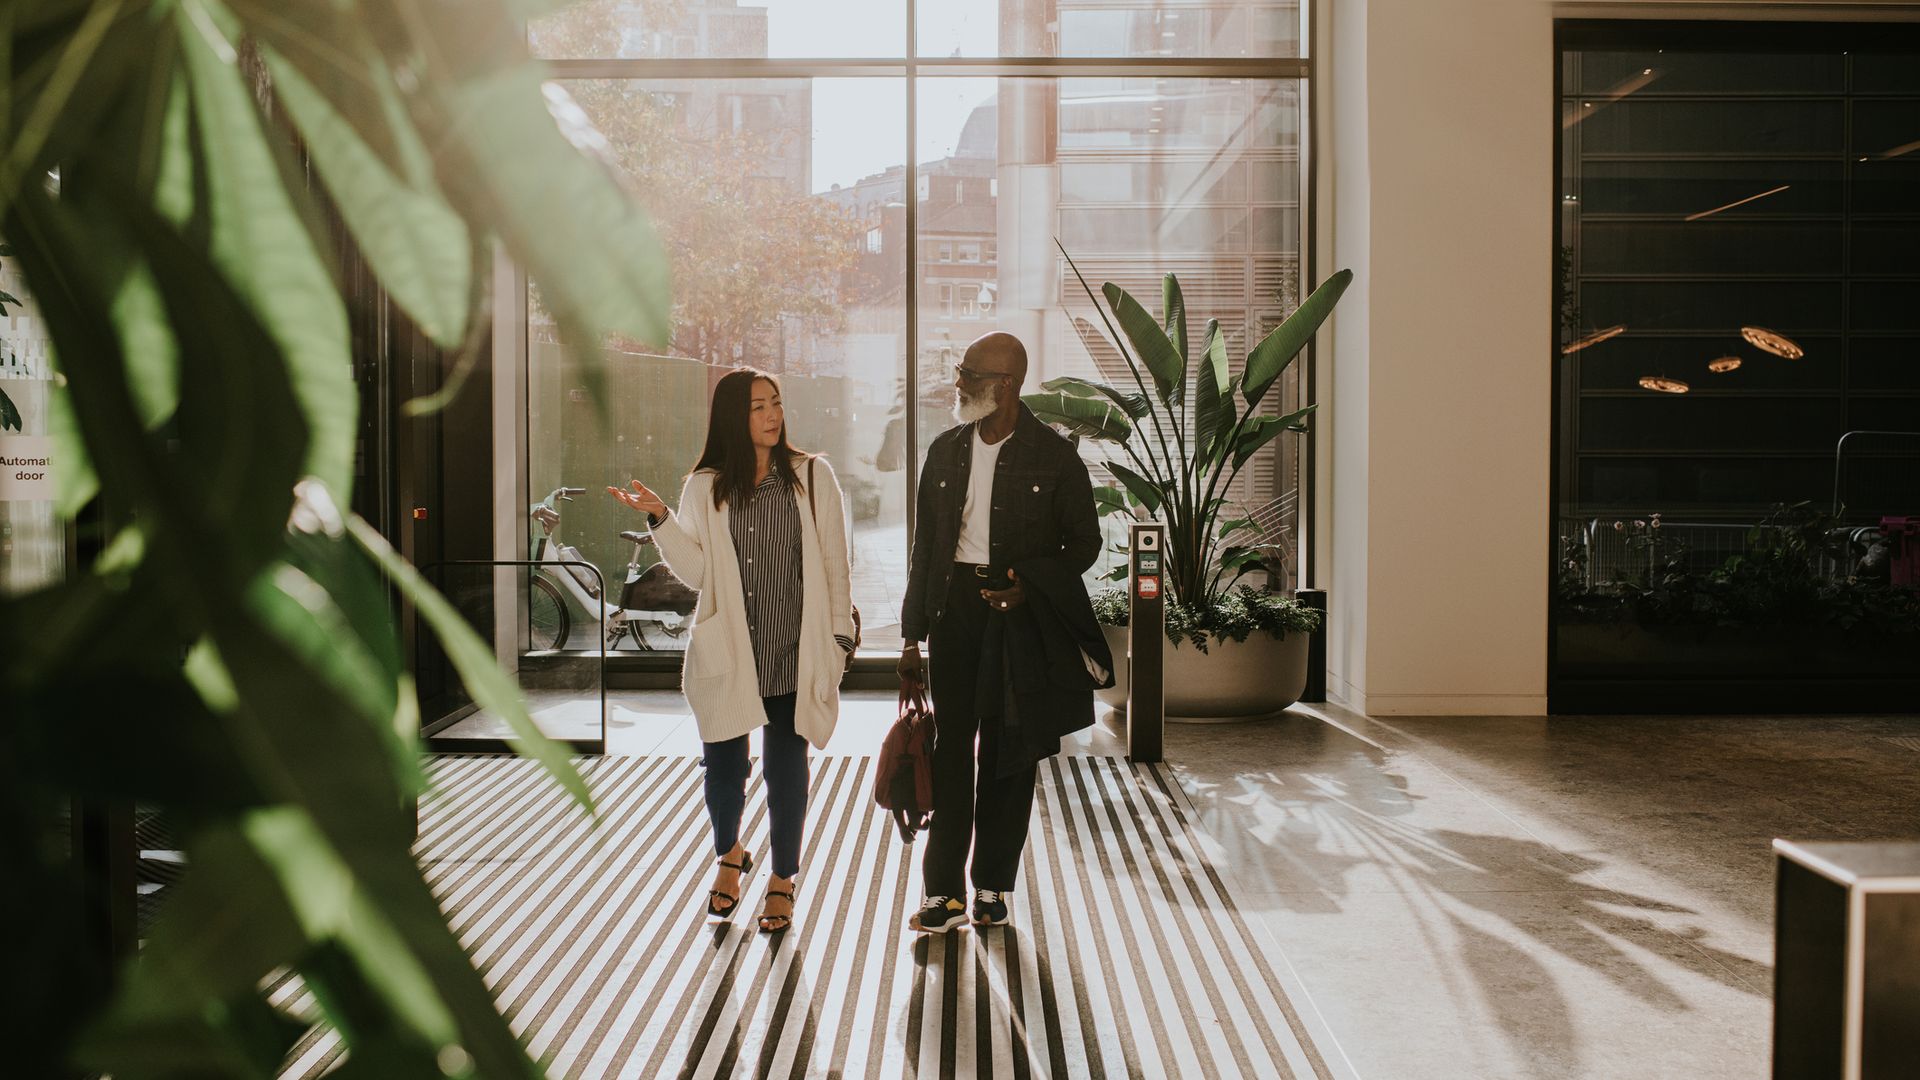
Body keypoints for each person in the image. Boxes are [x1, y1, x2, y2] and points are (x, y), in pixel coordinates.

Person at [609, 368, 856, 934]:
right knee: (723, 767)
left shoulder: (812, 476)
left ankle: (782, 879)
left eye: (776, 404)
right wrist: (660, 520)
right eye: (757, 407)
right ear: (731, 418)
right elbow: (696, 572)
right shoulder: (705, 486)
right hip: (731, 647)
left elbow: (835, 565)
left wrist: (839, 637)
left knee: (784, 765)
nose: (773, 416)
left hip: (796, 646)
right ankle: (730, 854)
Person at [897, 331, 1112, 933]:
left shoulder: (1055, 457)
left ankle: (991, 886)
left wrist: (1031, 586)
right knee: (950, 751)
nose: (958, 382)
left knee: (1009, 753)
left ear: (1006, 385)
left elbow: (1085, 544)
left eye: (968, 373)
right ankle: (943, 894)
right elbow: (924, 549)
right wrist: (911, 639)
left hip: (1018, 617)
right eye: (961, 371)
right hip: (954, 612)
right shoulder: (944, 452)